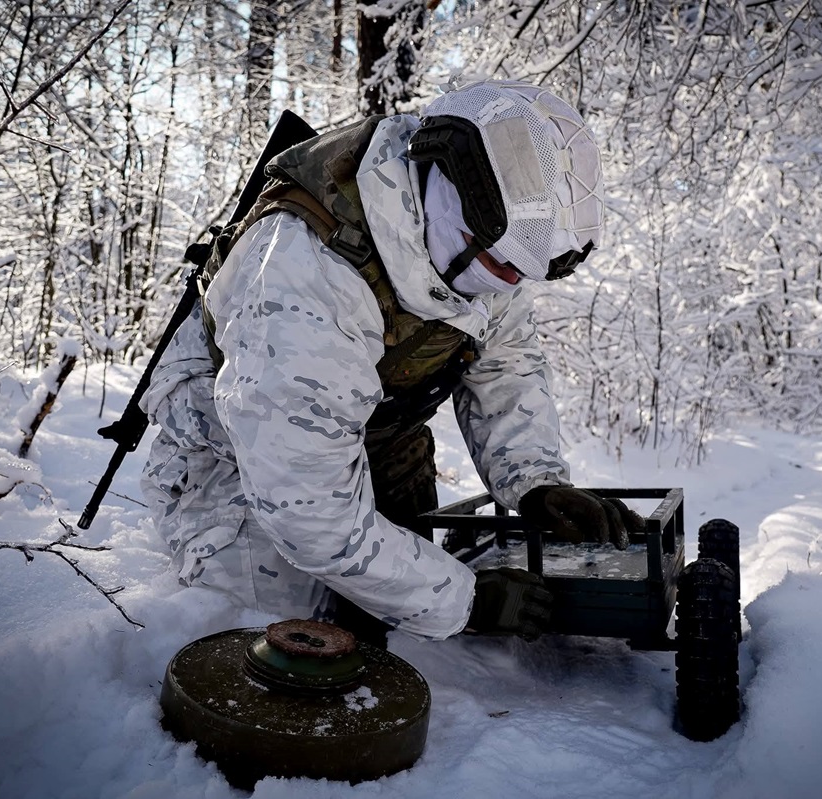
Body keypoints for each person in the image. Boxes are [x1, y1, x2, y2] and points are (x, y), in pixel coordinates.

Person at [139, 79, 643, 646]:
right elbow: (308, 512)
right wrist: (466, 600)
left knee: (396, 593)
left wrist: (534, 484)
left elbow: (506, 364)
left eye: (516, 274)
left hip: (372, 433)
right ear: (450, 203)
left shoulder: (482, 229)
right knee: (288, 631)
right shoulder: (307, 274)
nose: (506, 284)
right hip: (243, 456)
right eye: (499, 268)